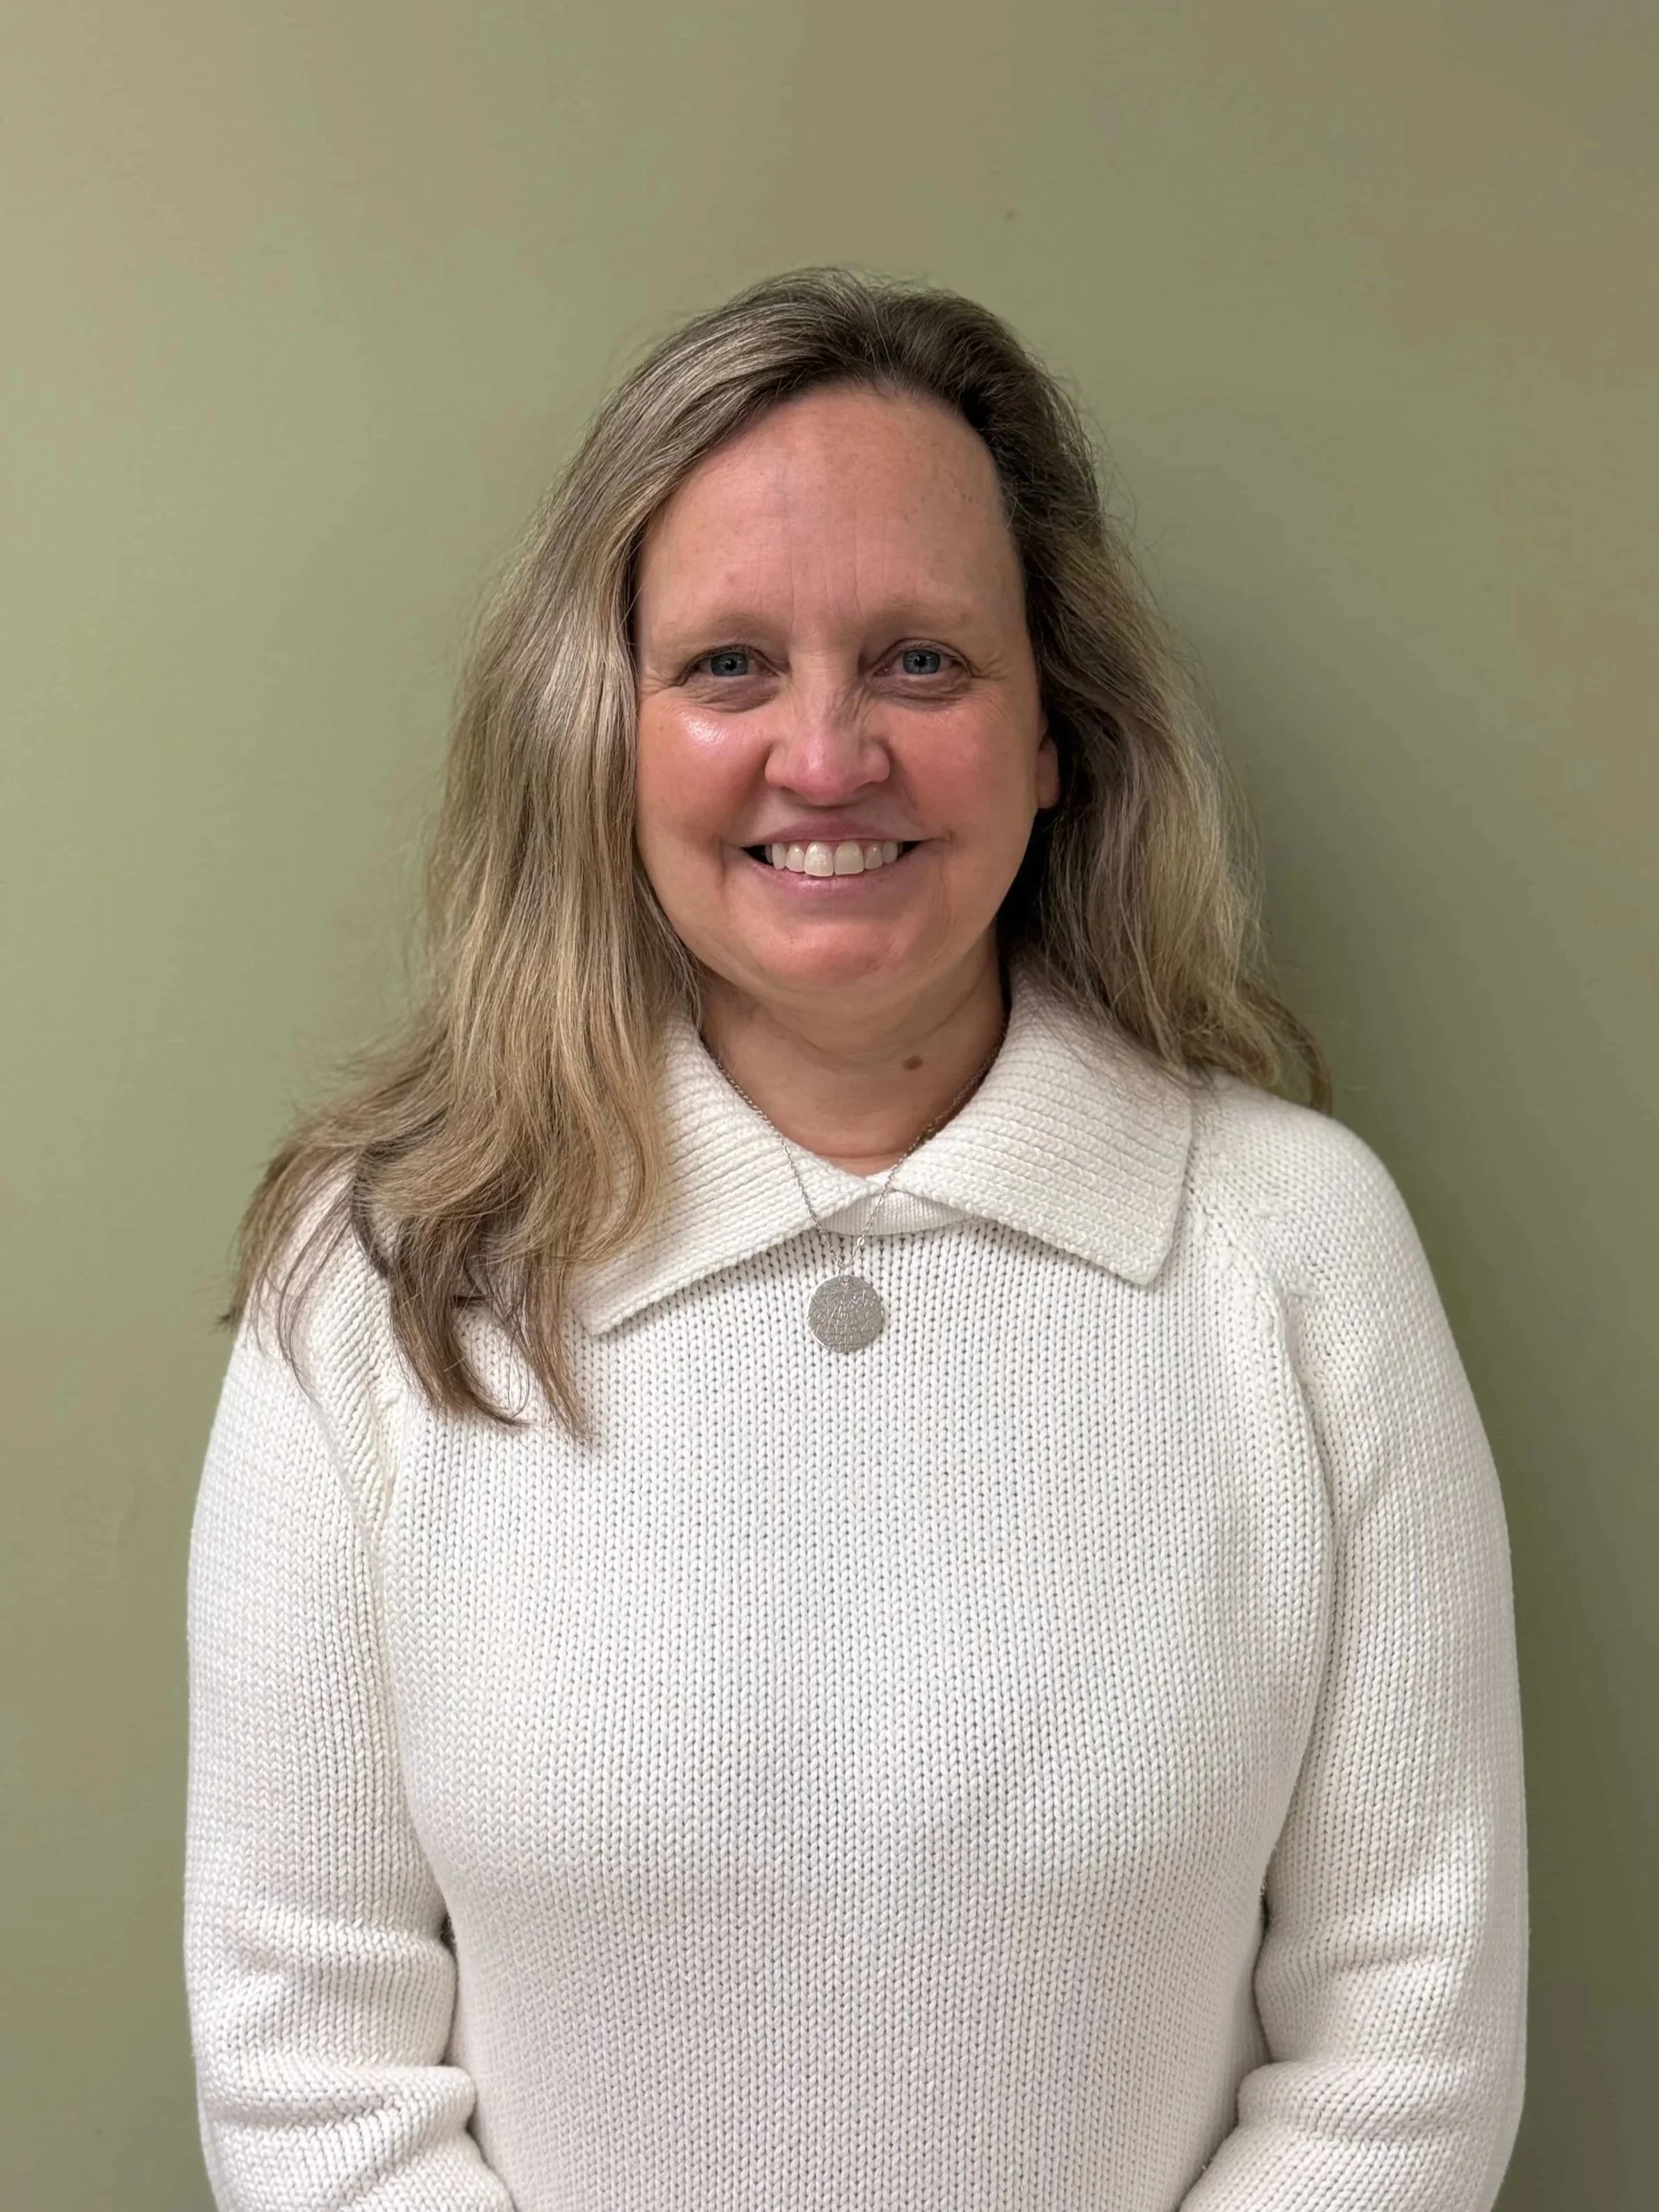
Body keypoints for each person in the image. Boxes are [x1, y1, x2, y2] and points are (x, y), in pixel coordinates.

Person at [183, 267, 1527, 2211]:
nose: (825, 758)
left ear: (1054, 732)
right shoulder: (381, 1275)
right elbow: (304, 2064)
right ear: (605, 736)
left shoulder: (1294, 1252)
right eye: (728, 666)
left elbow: (1405, 2035)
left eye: (919, 662)